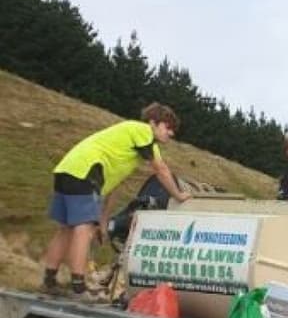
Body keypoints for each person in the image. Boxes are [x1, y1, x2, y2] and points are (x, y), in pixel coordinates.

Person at [42, 102, 190, 299]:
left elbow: (114, 187)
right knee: (83, 229)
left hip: (67, 169)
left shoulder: (135, 145)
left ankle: (48, 281)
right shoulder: (142, 130)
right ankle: (78, 288)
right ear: (153, 122)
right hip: (86, 171)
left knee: (67, 229)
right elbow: (161, 171)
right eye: (168, 127)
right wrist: (179, 195)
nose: (171, 133)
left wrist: (103, 221)